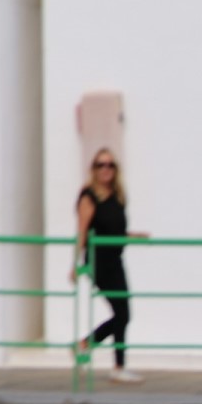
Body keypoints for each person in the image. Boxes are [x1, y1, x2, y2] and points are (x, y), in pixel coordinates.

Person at [72, 148, 149, 384]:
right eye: (100, 165)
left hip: (116, 260)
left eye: (110, 165)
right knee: (122, 313)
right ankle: (113, 363)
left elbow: (113, 230)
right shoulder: (88, 196)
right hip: (99, 263)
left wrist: (132, 236)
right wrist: (75, 264)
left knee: (123, 314)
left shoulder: (117, 195)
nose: (106, 169)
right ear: (93, 169)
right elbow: (82, 232)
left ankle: (89, 346)